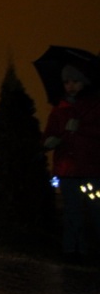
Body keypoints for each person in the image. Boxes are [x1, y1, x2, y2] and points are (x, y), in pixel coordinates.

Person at [42, 64, 100, 264]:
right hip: (67, 169)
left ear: (84, 82)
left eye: (75, 81)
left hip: (91, 168)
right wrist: (49, 141)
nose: (71, 86)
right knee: (71, 211)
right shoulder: (60, 109)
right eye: (67, 82)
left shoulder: (94, 106)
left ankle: (92, 249)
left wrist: (81, 128)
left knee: (95, 209)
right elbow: (50, 133)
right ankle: (72, 250)